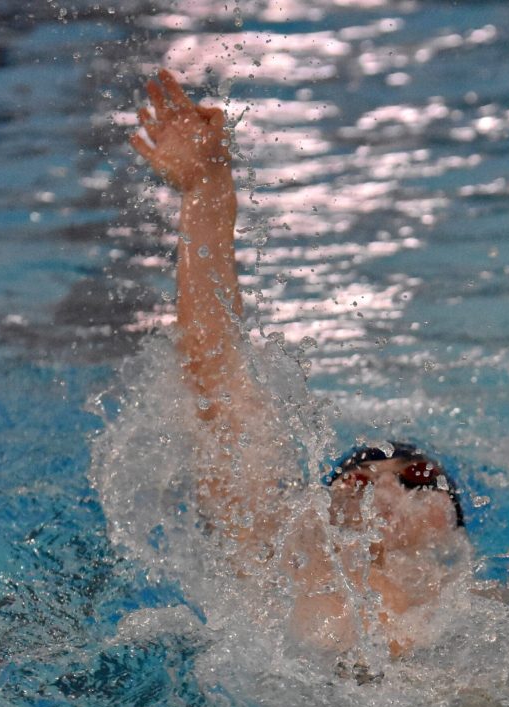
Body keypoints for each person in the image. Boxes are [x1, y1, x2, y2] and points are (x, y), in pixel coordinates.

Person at [130, 70, 471, 659]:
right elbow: (218, 373)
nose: (387, 495)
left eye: (416, 481)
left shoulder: (499, 617)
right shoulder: (276, 554)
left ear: (459, 530)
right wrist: (207, 189)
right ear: (314, 513)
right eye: (360, 483)